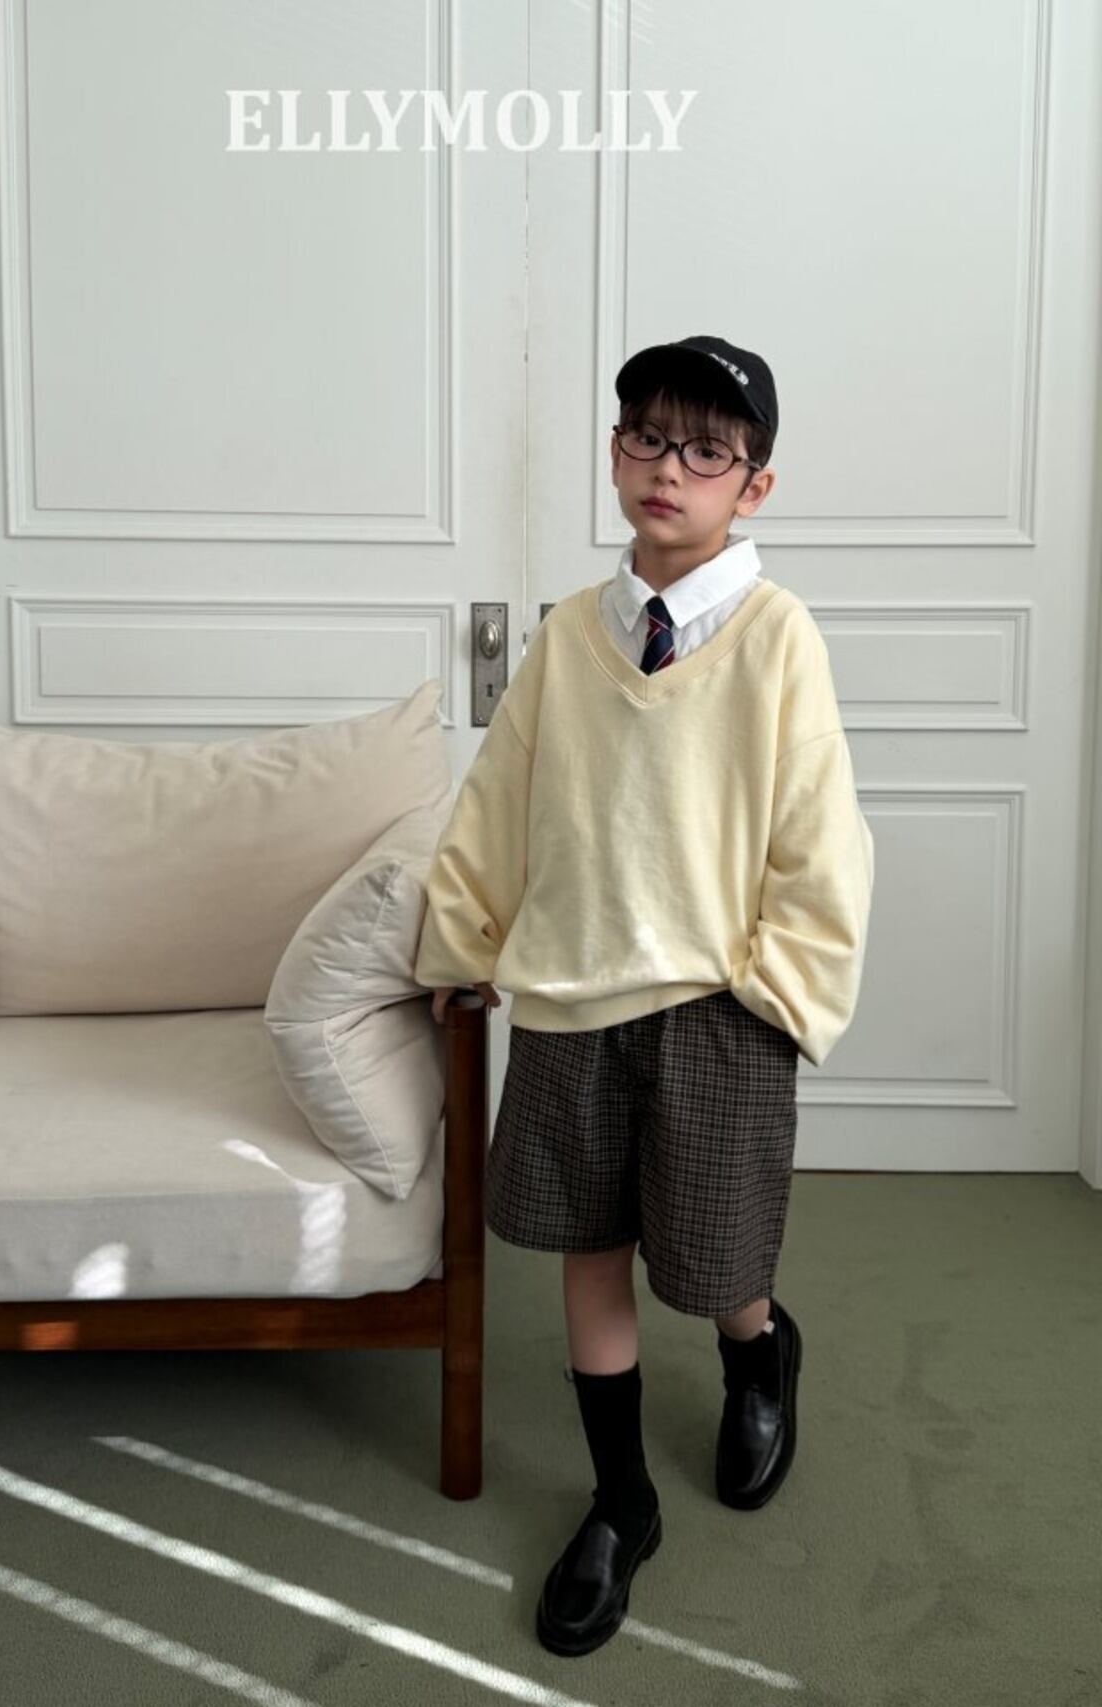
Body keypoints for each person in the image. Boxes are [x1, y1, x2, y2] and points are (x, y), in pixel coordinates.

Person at [413, 335, 875, 1659]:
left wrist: (778, 991)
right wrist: (462, 942)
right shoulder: (572, 636)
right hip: (572, 998)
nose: (670, 468)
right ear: (616, 453)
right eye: (647, 438)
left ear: (754, 486)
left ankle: (759, 1350)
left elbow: (820, 836)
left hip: (716, 1005)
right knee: (590, 1246)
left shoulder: (776, 638)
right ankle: (622, 1502)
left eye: (706, 449)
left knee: (716, 1255)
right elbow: (500, 803)